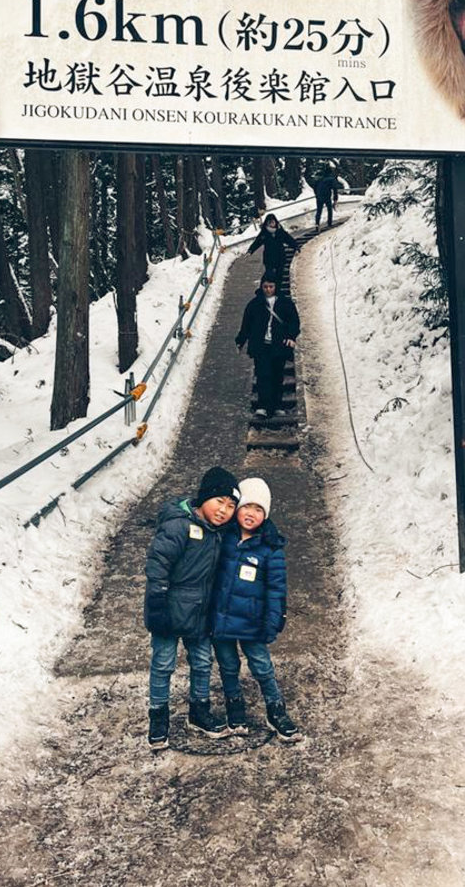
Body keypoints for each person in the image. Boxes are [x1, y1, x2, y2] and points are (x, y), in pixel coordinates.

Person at [144, 465, 241, 750]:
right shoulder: (179, 526)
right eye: (219, 501)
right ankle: (158, 717)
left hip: (201, 611)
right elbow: (158, 566)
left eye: (230, 506)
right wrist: (158, 604)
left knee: (202, 662)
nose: (223, 510)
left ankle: (199, 711)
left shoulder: (220, 533)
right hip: (170, 608)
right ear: (203, 498)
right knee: (163, 664)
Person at [211, 476, 300, 741]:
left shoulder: (270, 548)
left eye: (258, 509)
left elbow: (276, 590)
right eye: (246, 507)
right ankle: (235, 706)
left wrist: (273, 621)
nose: (251, 514)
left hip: (253, 622)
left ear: (266, 515)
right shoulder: (222, 538)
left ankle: (276, 709)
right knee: (228, 665)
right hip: (221, 619)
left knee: (262, 666)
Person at [235, 273, 300, 418]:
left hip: (278, 345)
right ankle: (263, 406)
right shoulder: (254, 304)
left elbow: (294, 321)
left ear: (276, 287)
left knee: (277, 375)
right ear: (261, 286)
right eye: (265, 287)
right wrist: (240, 340)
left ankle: (277, 405)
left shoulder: (285, 303)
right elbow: (246, 324)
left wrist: (291, 336)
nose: (268, 290)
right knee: (263, 375)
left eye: (271, 287)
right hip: (261, 346)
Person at [247, 213, 299, 288]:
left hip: (280, 257)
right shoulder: (264, 233)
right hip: (269, 258)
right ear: (267, 223)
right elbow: (257, 242)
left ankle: (278, 291)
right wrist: (250, 250)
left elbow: (288, 239)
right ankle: (270, 290)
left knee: (280, 275)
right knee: (270, 276)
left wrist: (296, 247)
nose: (272, 224)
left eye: (273, 222)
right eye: (270, 222)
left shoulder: (280, 231)